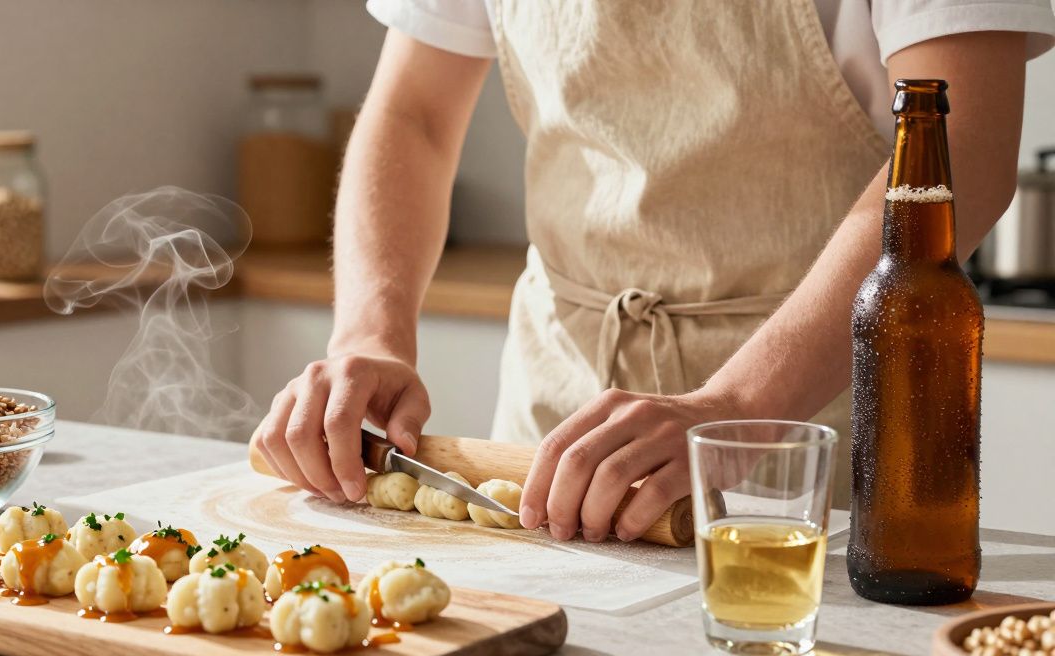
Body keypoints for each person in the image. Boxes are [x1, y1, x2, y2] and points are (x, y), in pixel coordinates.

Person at [253, 1, 1055, 542]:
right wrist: (372, 332)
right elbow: (413, 115)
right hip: (554, 407)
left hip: (822, 408)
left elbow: (963, 153)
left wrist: (738, 405)